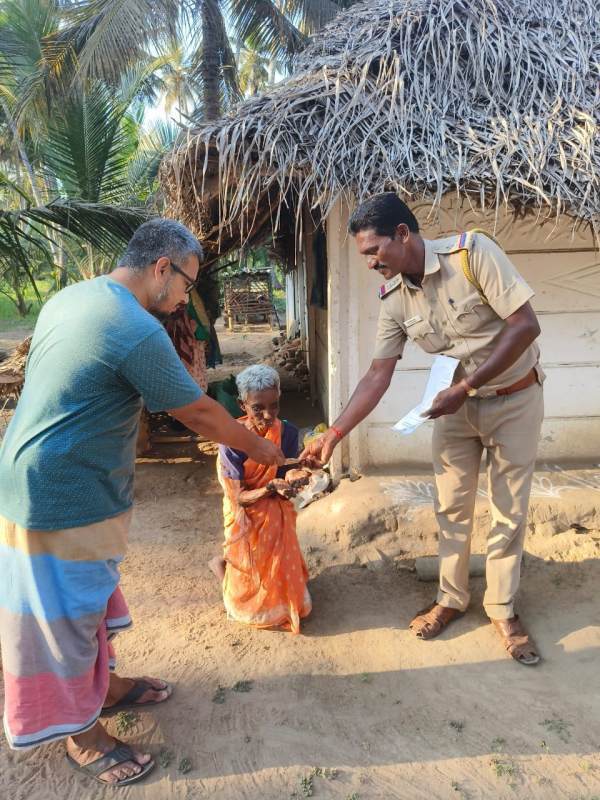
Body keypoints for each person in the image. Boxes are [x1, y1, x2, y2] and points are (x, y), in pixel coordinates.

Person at [0, 219, 284, 786]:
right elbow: (198, 411)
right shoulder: (133, 327)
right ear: (162, 268)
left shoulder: (74, 297)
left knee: (89, 602)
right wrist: (264, 449)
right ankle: (82, 736)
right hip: (59, 493)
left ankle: (103, 689)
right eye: (186, 284)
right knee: (66, 621)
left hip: (40, 476)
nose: (185, 298)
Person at [301, 192, 544, 666]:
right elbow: (378, 372)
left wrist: (469, 385)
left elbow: (525, 326)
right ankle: (452, 599)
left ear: (404, 234)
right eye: (364, 255)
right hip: (453, 408)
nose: (370, 263)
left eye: (374, 251)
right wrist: (334, 435)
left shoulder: (472, 255)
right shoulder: (393, 297)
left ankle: (502, 609)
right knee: (451, 507)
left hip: (514, 398)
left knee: (508, 509)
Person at [210, 365, 312, 634]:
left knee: (279, 519)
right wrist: (269, 488)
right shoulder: (231, 440)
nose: (268, 416)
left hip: (272, 500)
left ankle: (279, 588)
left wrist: (296, 477)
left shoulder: (288, 433)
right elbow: (238, 497)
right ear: (242, 404)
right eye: (258, 408)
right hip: (244, 506)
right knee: (243, 591)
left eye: (275, 406)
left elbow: (286, 472)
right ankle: (225, 569)